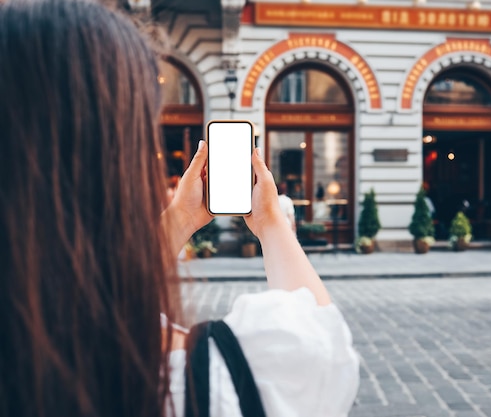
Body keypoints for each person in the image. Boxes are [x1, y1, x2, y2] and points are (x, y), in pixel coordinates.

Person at [0, 2, 359, 417]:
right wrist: (270, 224)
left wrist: (181, 218)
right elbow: (321, 341)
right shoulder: (212, 376)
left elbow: (101, 291)